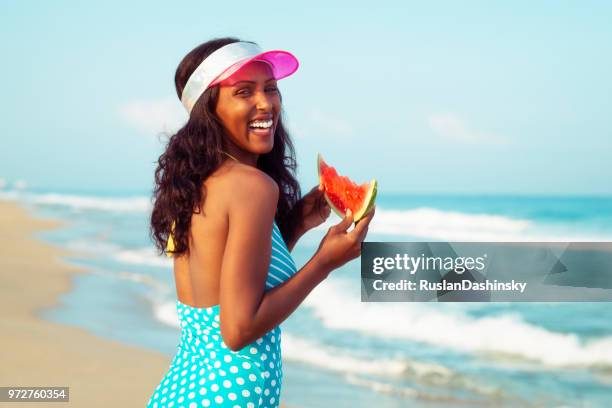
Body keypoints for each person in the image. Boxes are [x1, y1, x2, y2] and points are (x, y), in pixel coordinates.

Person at [147, 37, 375, 408]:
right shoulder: (253, 187)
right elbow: (238, 329)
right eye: (243, 92)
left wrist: (296, 225)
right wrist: (324, 263)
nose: (265, 102)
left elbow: (228, 282)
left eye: (271, 88)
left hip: (185, 387)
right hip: (228, 394)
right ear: (211, 109)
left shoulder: (201, 183)